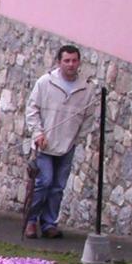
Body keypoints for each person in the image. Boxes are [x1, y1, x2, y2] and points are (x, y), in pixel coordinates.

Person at [25, 44, 95, 239]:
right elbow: (32, 109)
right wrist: (38, 133)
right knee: (44, 181)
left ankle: (49, 223)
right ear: (59, 62)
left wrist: (77, 138)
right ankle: (31, 221)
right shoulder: (45, 82)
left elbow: (88, 117)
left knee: (58, 187)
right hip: (44, 144)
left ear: (79, 62)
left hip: (67, 145)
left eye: (74, 60)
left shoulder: (86, 89)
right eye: (67, 61)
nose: (71, 64)